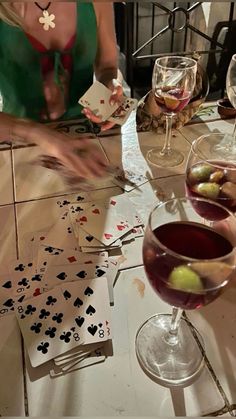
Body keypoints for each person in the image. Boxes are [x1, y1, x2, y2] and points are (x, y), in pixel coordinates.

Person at [0, 2, 123, 179]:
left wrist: (111, 86)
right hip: (18, 145)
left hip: (89, 143)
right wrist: (38, 133)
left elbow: (108, 67)